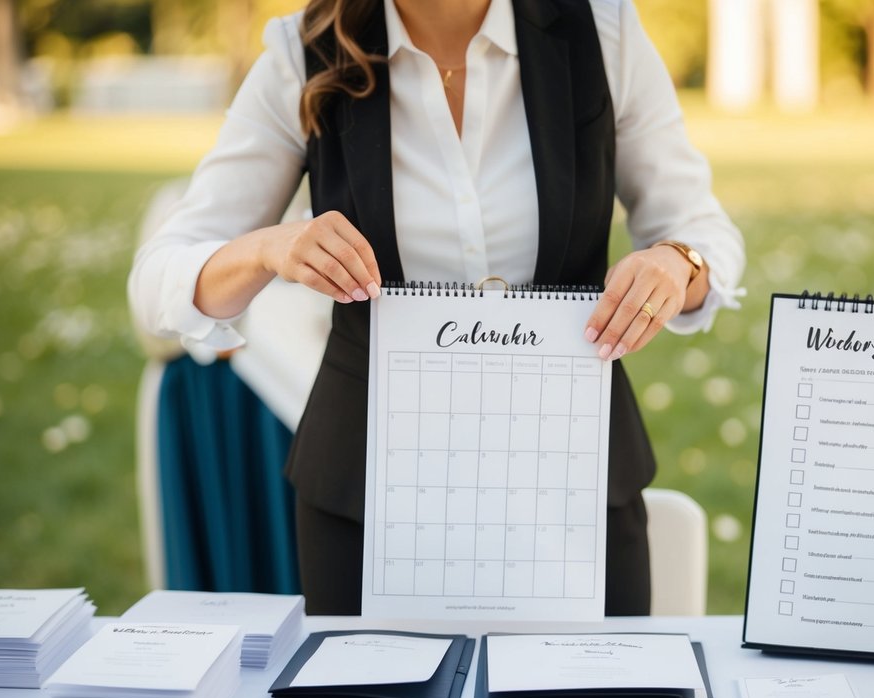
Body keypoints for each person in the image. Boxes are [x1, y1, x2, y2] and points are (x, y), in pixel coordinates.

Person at [129, 0, 744, 616]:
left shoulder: (604, 31)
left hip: (576, 490)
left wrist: (676, 262)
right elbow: (158, 279)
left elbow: (699, 230)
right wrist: (265, 247)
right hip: (366, 501)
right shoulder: (302, 52)